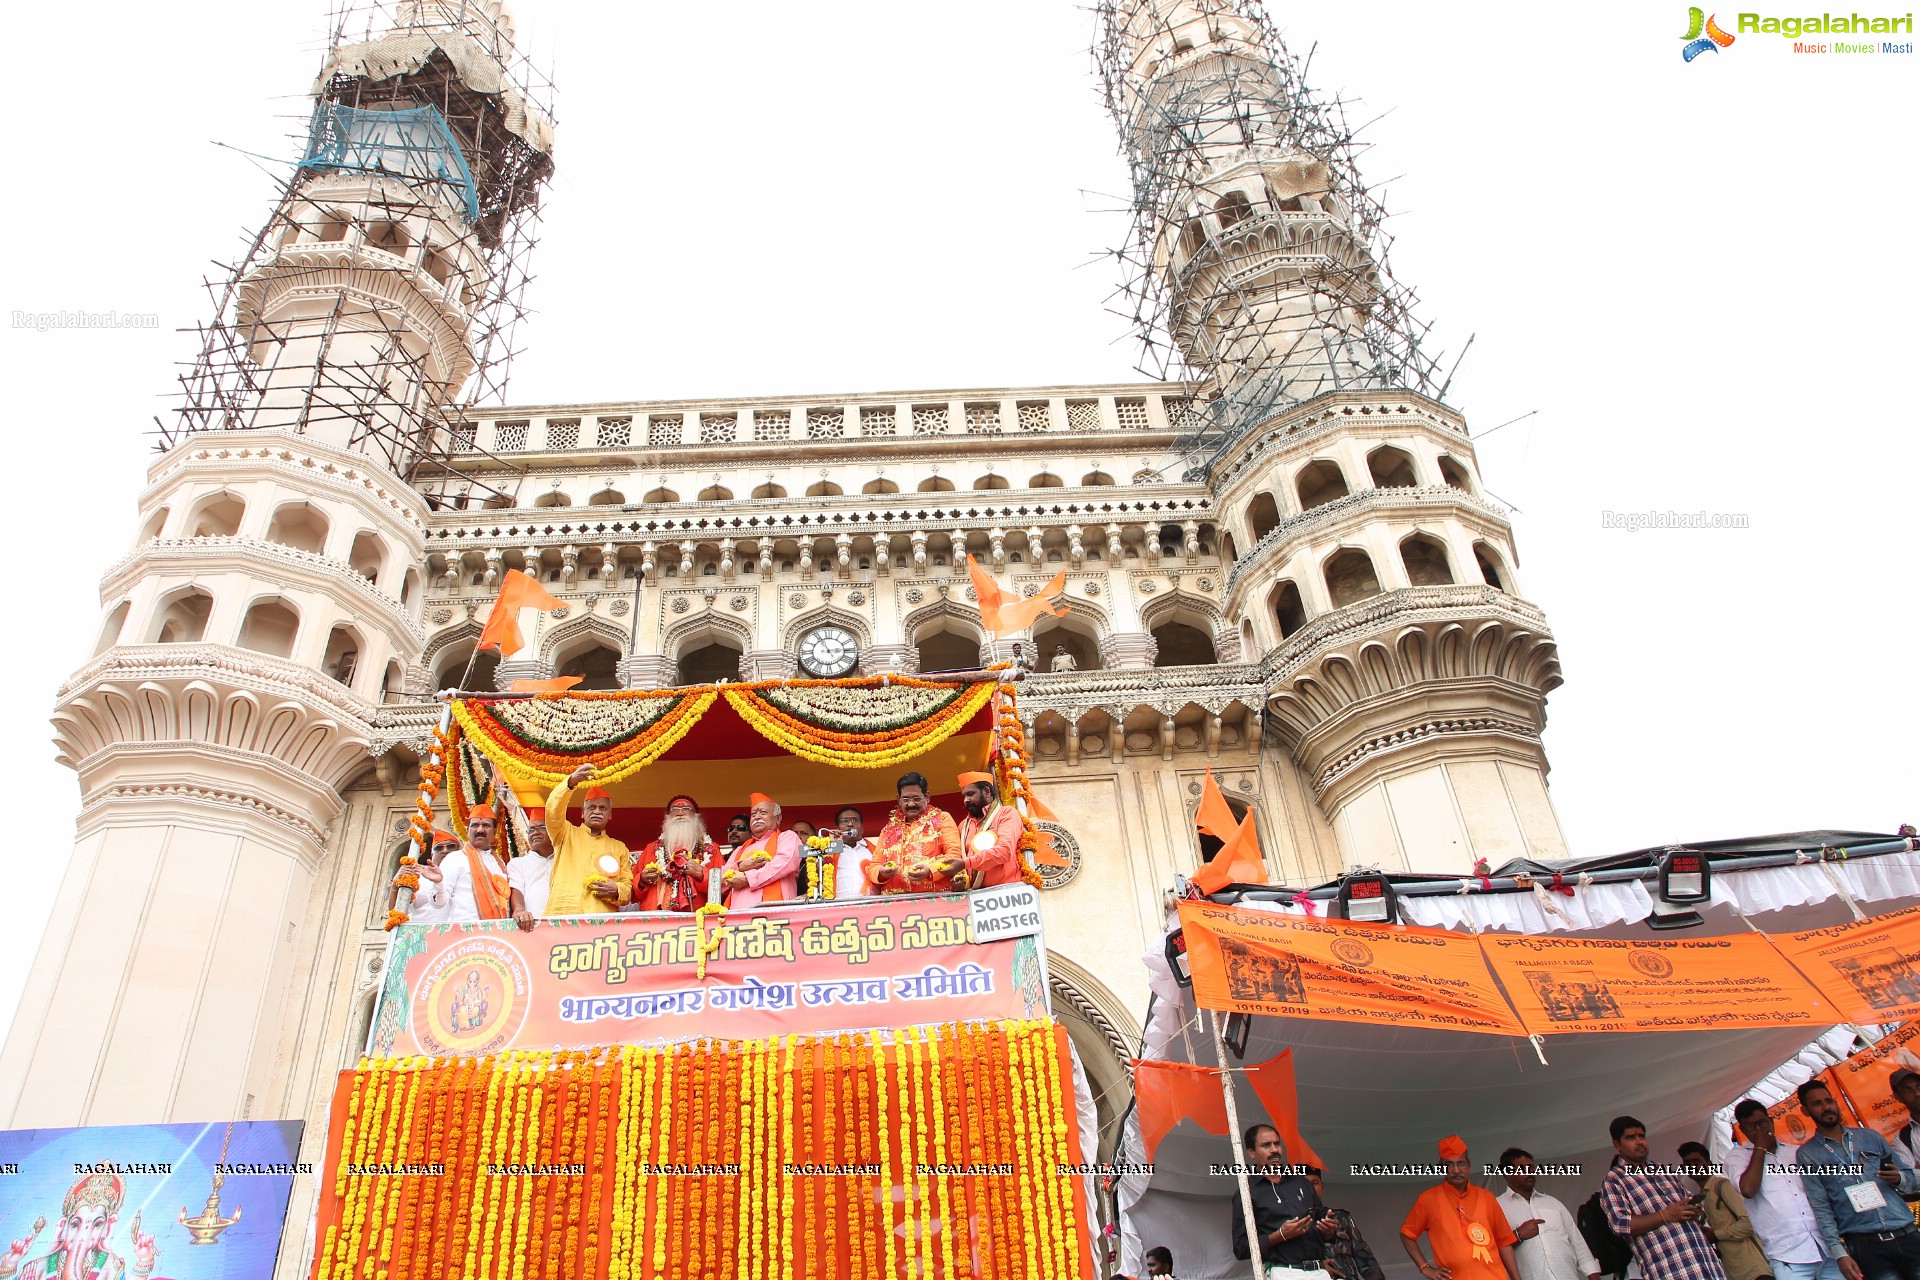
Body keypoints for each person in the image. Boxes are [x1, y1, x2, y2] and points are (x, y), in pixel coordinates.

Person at [1795, 1079, 1920, 1280]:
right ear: (1806, 1111)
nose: (1826, 1107)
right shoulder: (1808, 1155)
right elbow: (1821, 1206)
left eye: (1828, 1101)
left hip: (1906, 1233)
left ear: (1835, 1103)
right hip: (1867, 1246)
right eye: (1817, 1104)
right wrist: (1839, 1253)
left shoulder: (1870, 1137)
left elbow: (1909, 1179)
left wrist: (1898, 1178)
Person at [1729, 1098, 1843, 1280]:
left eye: (1762, 1123)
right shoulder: (1737, 1157)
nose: (1759, 1129)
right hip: (1787, 1256)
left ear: (1771, 1121)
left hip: (1825, 1246)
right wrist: (1759, 1147)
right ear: (1742, 1130)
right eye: (1751, 1126)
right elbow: (1748, 1190)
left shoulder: (1796, 1152)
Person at [1602, 1116, 1725, 1280]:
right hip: (1671, 1271)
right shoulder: (1615, 1179)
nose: (1639, 1142)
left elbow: (1691, 1207)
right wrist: (1664, 1216)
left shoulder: (1663, 1170)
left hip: (1706, 1264)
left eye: (1641, 1136)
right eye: (1631, 1137)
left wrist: (1695, 1212)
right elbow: (1619, 1224)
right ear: (1617, 1145)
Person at [1402, 1134, 1522, 1280]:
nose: (1456, 1170)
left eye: (1461, 1163)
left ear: (1469, 1164)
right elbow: (1407, 1235)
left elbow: (1504, 1243)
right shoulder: (1428, 1199)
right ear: (1440, 1167)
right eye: (1449, 1165)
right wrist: (1425, 1268)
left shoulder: (1486, 1197)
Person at [3, 1171, 156, 1280]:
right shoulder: (39, 1268)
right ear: (64, 1226)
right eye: (76, 1225)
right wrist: (9, 1265)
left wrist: (144, 1260)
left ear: (106, 1229)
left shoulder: (109, 1266)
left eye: (97, 1225)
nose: (83, 1235)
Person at [1229, 1122, 1335, 1272]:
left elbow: (1324, 1231)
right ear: (1252, 1152)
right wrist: (1279, 1235)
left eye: (1277, 1144)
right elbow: (1241, 1249)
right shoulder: (1246, 1192)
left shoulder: (1302, 1183)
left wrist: (1328, 1231)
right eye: (1266, 1145)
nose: (1274, 1150)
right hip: (1284, 1272)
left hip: (1319, 1270)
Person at [1495, 1147, 1601, 1280]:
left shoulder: (1553, 1203)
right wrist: (1518, 1235)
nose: (1530, 1172)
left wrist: (1594, 1276)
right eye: (1523, 1168)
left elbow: (1578, 1243)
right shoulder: (1496, 1207)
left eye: (1531, 1167)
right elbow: (1489, 1251)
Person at [544, 764, 633, 915]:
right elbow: (553, 812)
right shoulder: (565, 833)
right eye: (592, 807)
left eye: (602, 808)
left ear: (610, 815)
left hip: (601, 922)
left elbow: (628, 888)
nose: (597, 811)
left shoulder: (619, 848)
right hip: (564, 914)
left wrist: (616, 890)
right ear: (582, 813)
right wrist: (570, 783)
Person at [1679, 1140, 1769, 1280]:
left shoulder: (1722, 1186)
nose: (1692, 1166)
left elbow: (1748, 1224)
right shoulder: (1703, 1195)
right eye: (1687, 1163)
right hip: (1733, 1272)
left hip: (1755, 1270)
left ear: (1708, 1163)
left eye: (1696, 1161)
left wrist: (1716, 1235)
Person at [868, 771, 963, 895]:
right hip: (894, 904)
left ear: (927, 797)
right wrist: (881, 873)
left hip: (935, 900)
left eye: (916, 798)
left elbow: (954, 855)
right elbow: (874, 866)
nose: (911, 804)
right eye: (906, 799)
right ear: (899, 800)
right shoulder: (888, 829)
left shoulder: (942, 818)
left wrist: (930, 870)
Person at [633, 794, 724, 912]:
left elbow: (723, 887)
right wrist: (642, 880)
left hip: (697, 920)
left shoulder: (712, 849)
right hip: (655, 922)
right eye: (675, 809)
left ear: (697, 817)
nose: (680, 813)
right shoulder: (651, 849)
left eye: (686, 809)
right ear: (667, 818)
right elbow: (631, 893)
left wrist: (702, 874)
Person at [423, 803, 512, 923]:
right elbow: (439, 903)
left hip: (498, 932)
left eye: (485, 825)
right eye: (475, 825)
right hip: (465, 932)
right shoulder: (455, 859)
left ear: (494, 832)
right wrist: (438, 884)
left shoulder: (499, 863)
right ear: (467, 830)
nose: (480, 830)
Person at [721, 792, 800, 908]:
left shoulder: (787, 837)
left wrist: (748, 879)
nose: (757, 817)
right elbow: (722, 878)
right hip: (738, 915)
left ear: (778, 818)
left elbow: (785, 863)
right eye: (753, 814)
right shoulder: (740, 850)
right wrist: (741, 866)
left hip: (775, 912)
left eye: (763, 813)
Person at [1309, 1166, 1386, 1280]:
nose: (1311, 1188)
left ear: (1322, 1186)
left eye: (1314, 1183)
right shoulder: (1291, 1223)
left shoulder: (1341, 1217)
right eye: (1305, 1184)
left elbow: (1366, 1260)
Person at [955, 771, 1024, 889]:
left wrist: (965, 863)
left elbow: (1004, 851)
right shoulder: (963, 826)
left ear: (986, 791)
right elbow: (958, 860)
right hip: (975, 897)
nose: (966, 800)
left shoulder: (1006, 814)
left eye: (970, 794)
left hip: (1009, 893)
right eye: (964, 796)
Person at [397, 827, 461, 924]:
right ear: (432, 854)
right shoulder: (418, 876)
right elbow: (397, 909)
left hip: (458, 933)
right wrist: (394, 884)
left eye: (450, 846)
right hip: (421, 933)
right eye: (439, 848)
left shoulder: (466, 873)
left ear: (459, 851)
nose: (445, 851)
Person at [508, 811, 554, 930]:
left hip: (565, 926)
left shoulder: (563, 860)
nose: (536, 832)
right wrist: (519, 910)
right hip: (532, 927)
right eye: (531, 830)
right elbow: (516, 889)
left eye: (542, 827)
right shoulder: (518, 863)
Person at [1888, 1071, 1920, 1198]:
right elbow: (1908, 1177)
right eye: (1908, 1090)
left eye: (1919, 1086)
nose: (1917, 1094)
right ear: (1898, 1097)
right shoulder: (1903, 1137)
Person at [831, 805, 873, 900]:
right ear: (837, 828)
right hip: (837, 907)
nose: (850, 824)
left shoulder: (875, 850)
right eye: (845, 821)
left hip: (872, 906)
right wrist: (832, 846)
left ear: (862, 828)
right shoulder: (829, 850)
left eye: (855, 820)